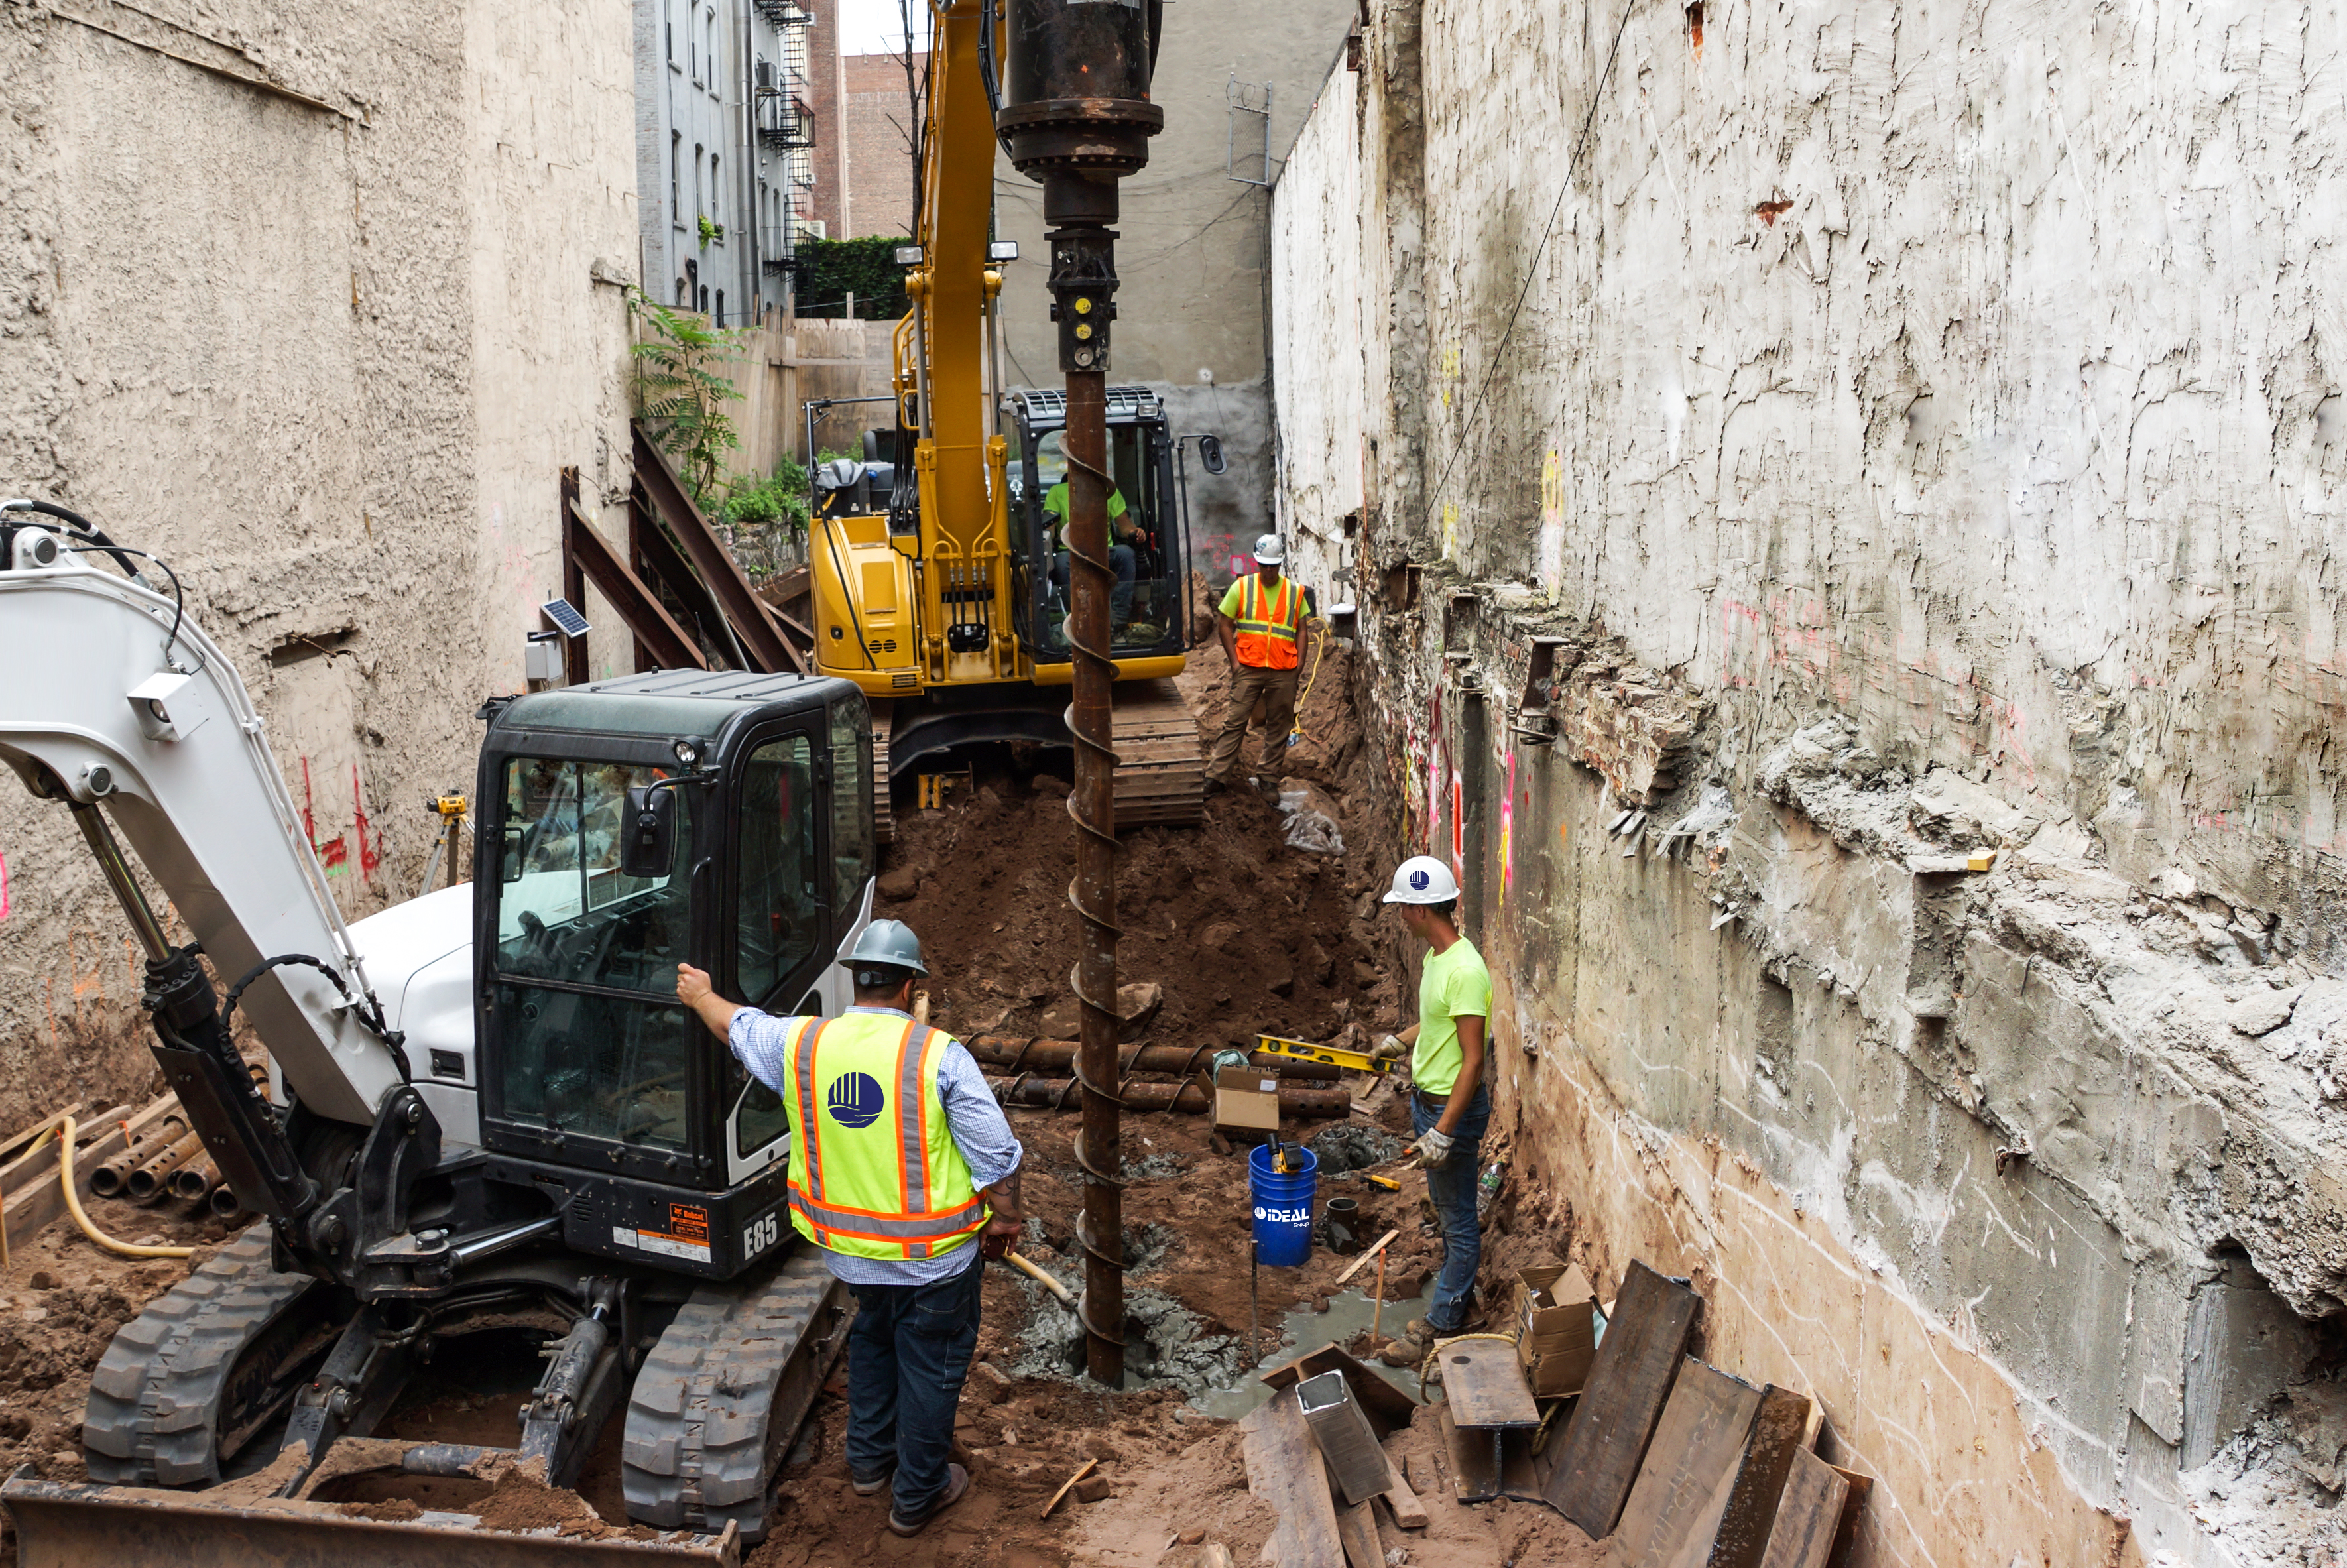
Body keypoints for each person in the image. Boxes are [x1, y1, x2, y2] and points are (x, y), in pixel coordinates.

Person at [676, 920, 1023, 1538]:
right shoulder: (937, 1054)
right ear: (911, 983)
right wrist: (1006, 1219)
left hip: (852, 1257)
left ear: (855, 979)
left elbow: (736, 1025)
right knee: (930, 1368)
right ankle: (917, 1494)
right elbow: (997, 1157)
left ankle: (868, 1464)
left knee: (873, 1342)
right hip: (935, 1263)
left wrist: (701, 994)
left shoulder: (804, 1044)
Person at [1375, 856, 1492, 1368]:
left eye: (1403, 905)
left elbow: (1473, 1059)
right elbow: (1436, 1024)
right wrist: (1398, 1043)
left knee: (1460, 1222)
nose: (1399, 913)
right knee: (1449, 1212)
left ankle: (1443, 1323)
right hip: (1431, 1104)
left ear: (1422, 909)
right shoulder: (1436, 959)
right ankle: (1449, 1300)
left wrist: (1443, 1132)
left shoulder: (1465, 970)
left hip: (1453, 1111)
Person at [1204, 534, 1313, 795]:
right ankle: (1216, 777)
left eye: (1273, 565)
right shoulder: (1241, 588)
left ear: (1280, 564)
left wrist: (1299, 666)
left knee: (1280, 725)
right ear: (1257, 563)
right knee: (1235, 722)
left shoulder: (1295, 592)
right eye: (1264, 565)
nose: (1268, 570)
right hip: (1248, 667)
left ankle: (1268, 779)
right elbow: (1225, 624)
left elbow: (1302, 630)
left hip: (1283, 668)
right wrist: (1234, 663)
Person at [1042, 473, 1140, 631]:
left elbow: (1126, 527)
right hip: (1070, 553)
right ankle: (1080, 617)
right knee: (1061, 562)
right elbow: (1049, 529)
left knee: (1125, 554)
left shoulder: (1109, 491)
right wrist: (1046, 535)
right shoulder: (1057, 492)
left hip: (1105, 551)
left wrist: (1136, 532)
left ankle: (1118, 618)